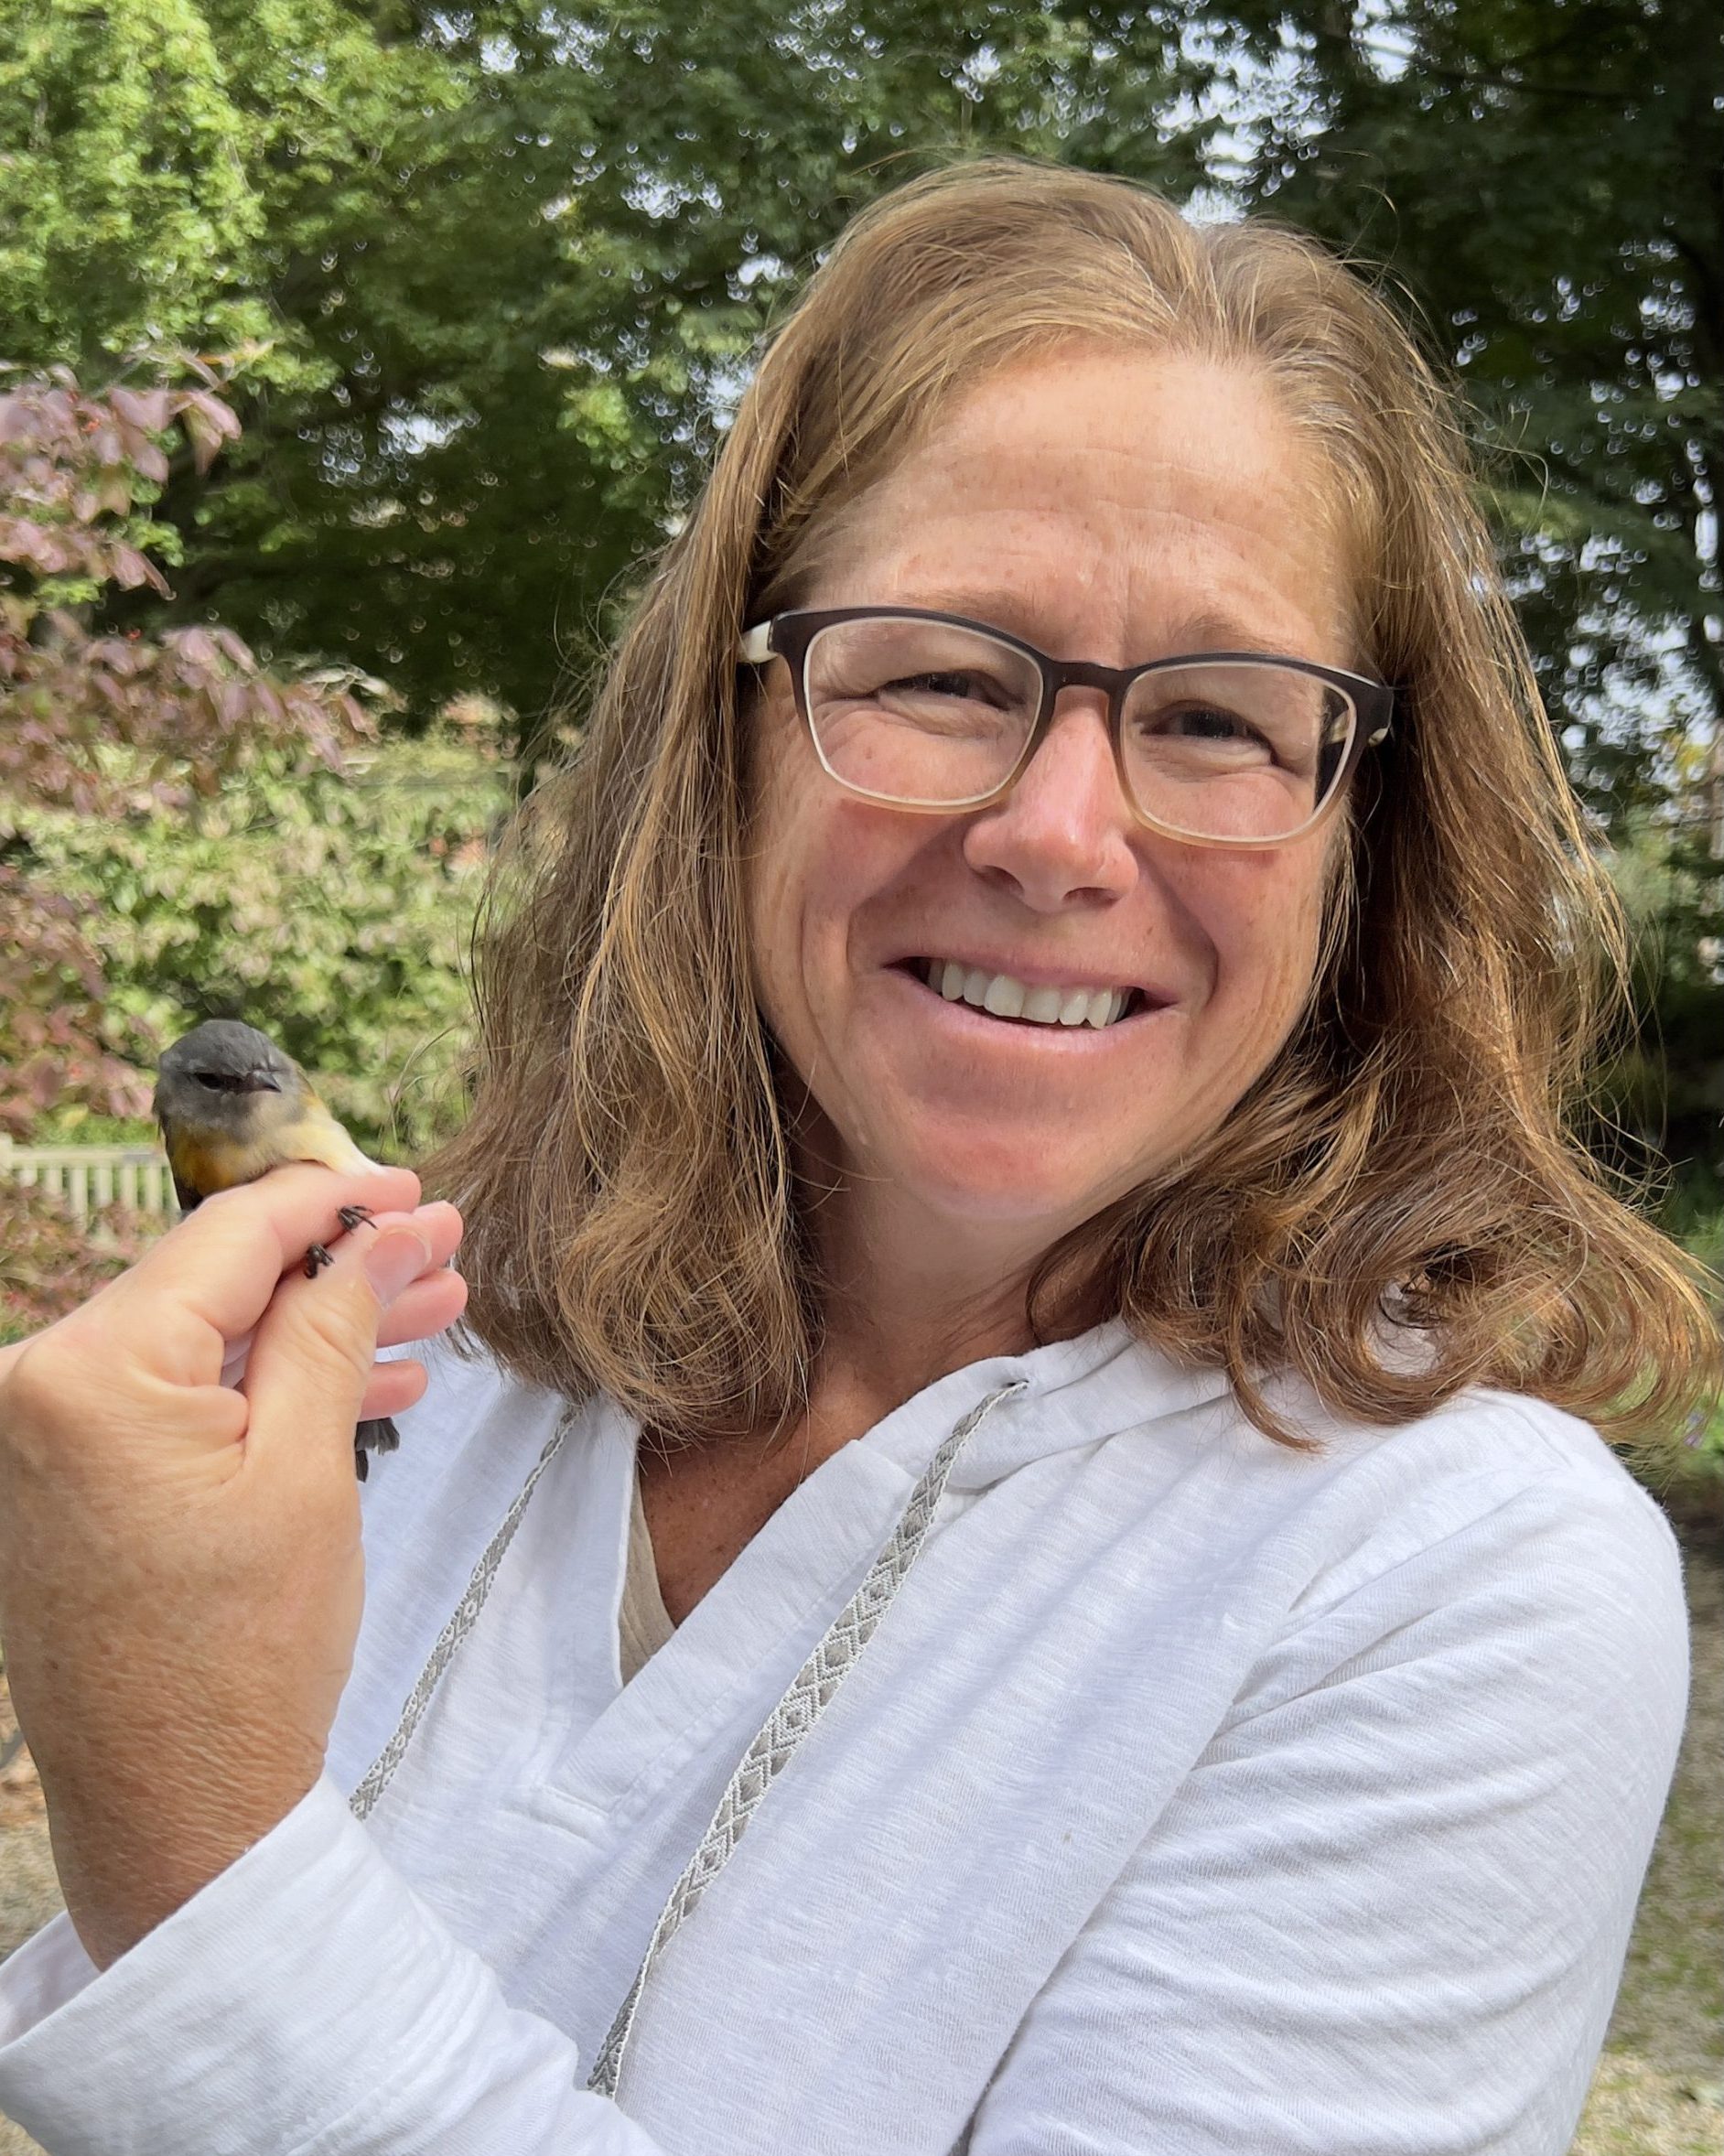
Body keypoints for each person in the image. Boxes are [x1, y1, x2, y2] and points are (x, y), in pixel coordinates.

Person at [0, 158, 1717, 2155]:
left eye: (1224, 720)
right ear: (722, 739)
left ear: (1364, 842)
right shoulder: (429, 1376)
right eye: (941, 675)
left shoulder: (1452, 1576)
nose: (1062, 833)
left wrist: (195, 1825)